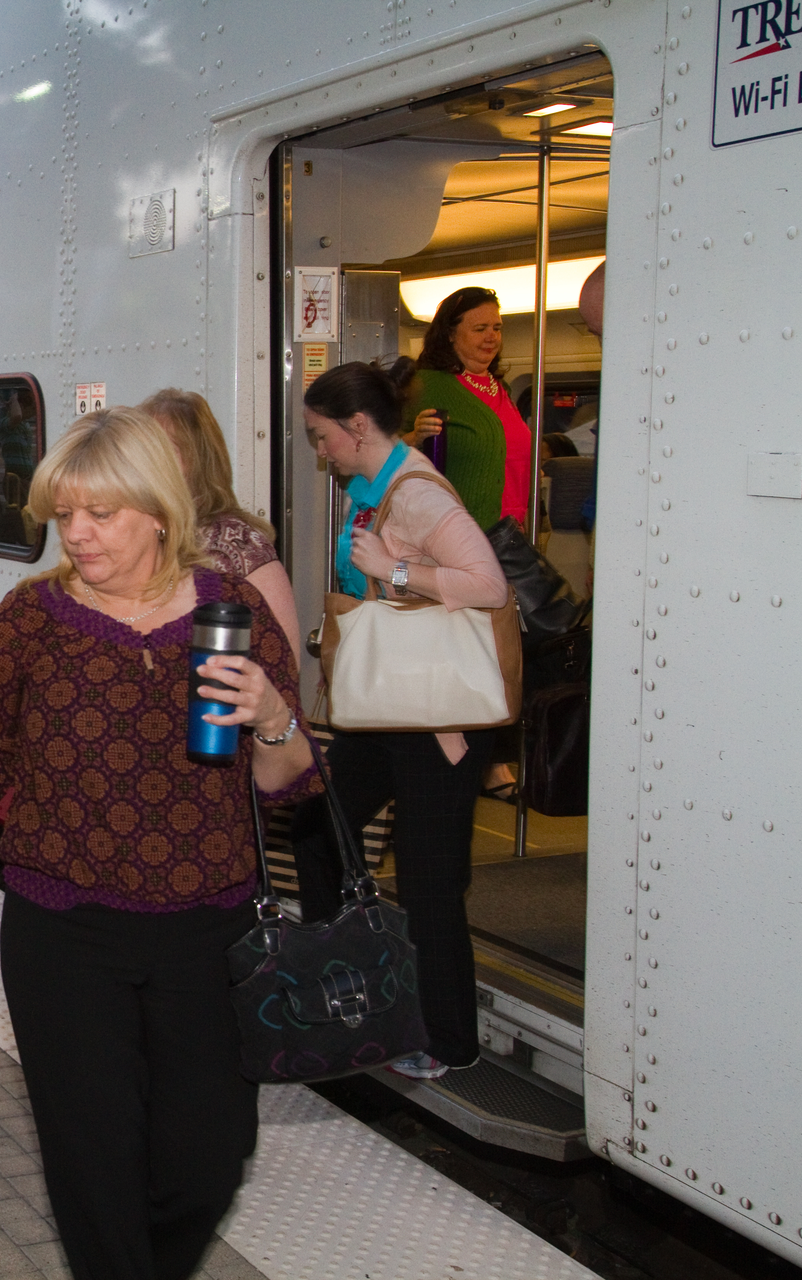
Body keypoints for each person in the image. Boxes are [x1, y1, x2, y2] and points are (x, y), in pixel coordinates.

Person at [0, 406, 315, 1280]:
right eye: (62, 514)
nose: (75, 535)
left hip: (213, 928)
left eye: (99, 514)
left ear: (159, 511)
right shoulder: (31, 617)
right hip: (65, 930)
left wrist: (275, 719)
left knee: (207, 1162)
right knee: (93, 1166)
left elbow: (289, 782)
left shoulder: (230, 612)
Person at [291, 360, 510, 1081]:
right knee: (320, 830)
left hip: (438, 721)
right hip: (391, 712)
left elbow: (488, 585)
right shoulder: (373, 489)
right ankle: (349, 984)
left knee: (429, 880)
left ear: (357, 427)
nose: (318, 451)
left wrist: (397, 569)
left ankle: (450, 1042)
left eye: (322, 436)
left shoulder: (415, 496)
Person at [140, 388, 302, 667]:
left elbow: (286, 665)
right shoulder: (141, 533)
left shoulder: (241, 546)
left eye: (163, 451)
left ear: (197, 460)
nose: (146, 464)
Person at [401, 286, 532, 530]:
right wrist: (415, 438)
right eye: (480, 329)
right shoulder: (425, 384)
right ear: (450, 334)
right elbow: (380, 449)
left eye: (497, 328)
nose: (491, 337)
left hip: (510, 533)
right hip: (454, 534)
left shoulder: (502, 388)